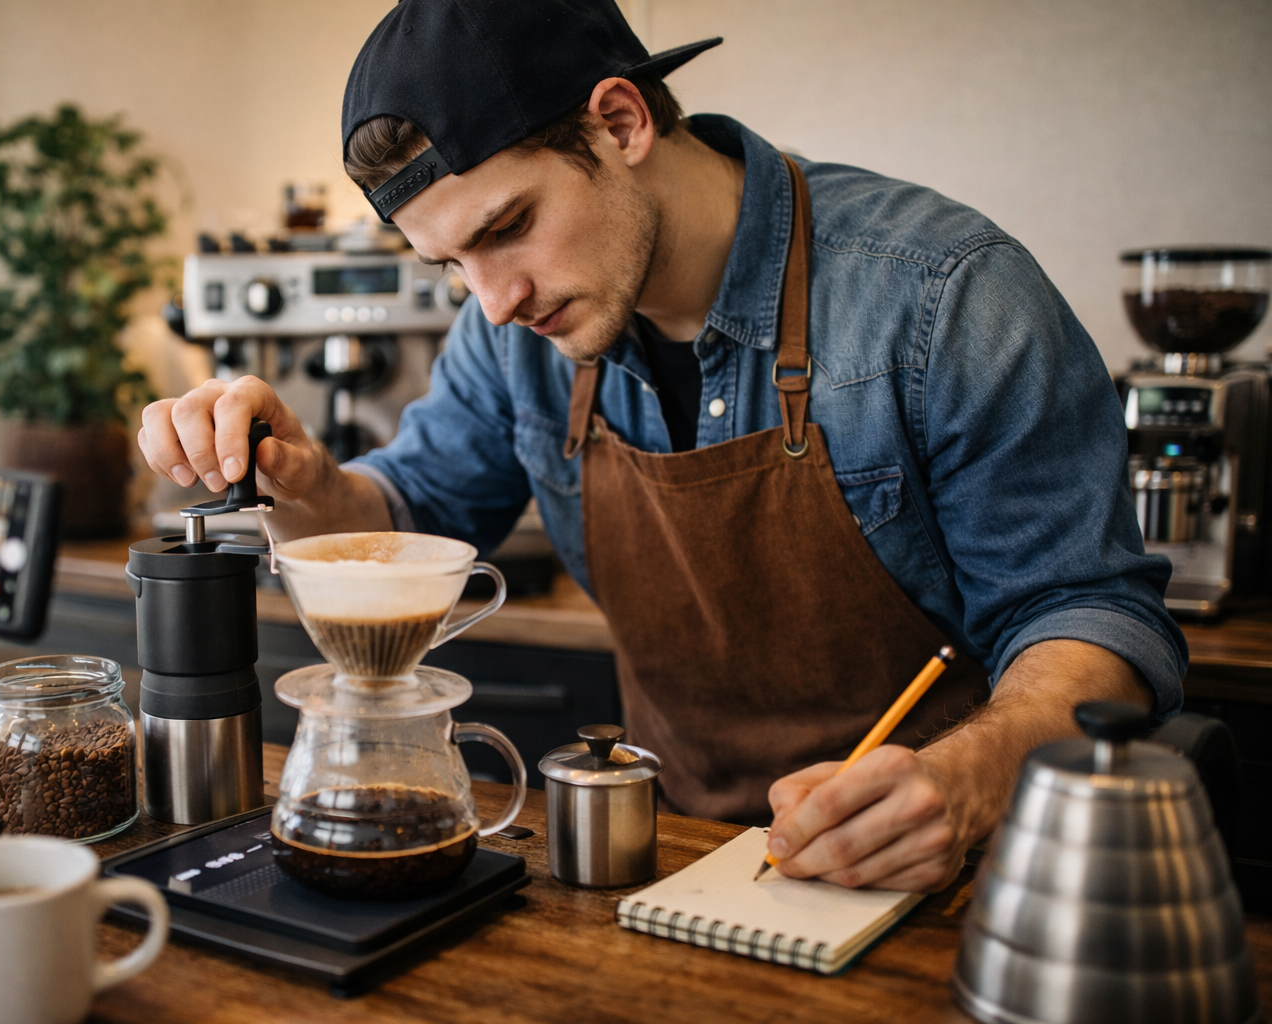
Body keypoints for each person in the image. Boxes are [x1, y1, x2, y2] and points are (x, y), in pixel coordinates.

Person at [139, 0, 1186, 893]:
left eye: (506, 228)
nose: (494, 303)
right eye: (454, 264)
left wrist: (967, 780)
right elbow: (410, 522)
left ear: (622, 120)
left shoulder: (945, 296)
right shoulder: (518, 338)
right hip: (677, 871)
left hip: (964, 880)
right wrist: (305, 481)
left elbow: (1089, 614)